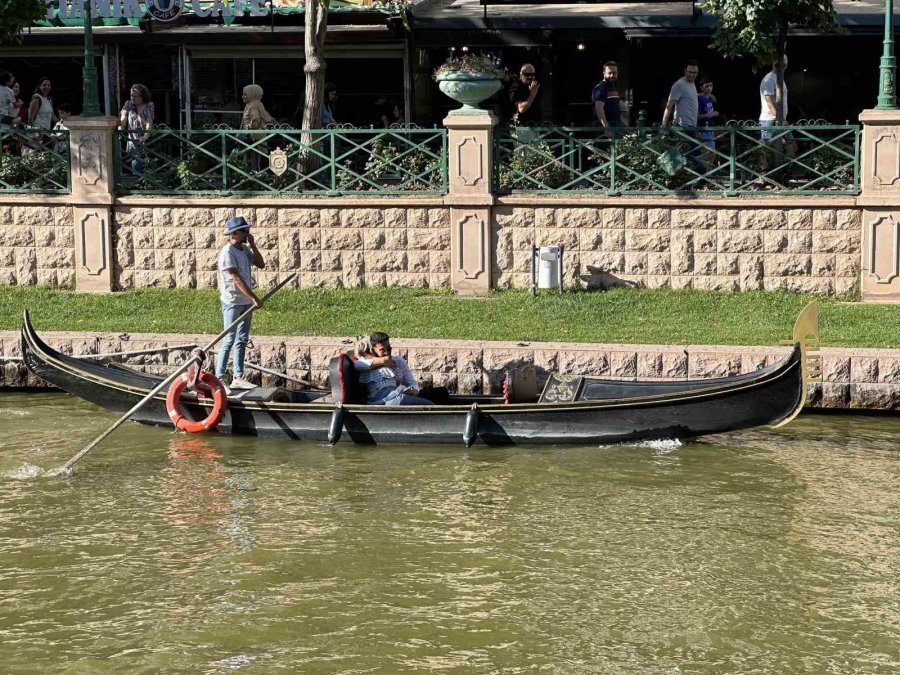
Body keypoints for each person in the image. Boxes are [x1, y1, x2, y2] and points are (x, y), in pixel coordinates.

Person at [215, 216, 265, 390]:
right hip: (232, 301)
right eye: (244, 231)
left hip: (245, 302)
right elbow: (236, 279)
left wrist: (253, 245)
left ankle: (238, 376)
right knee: (228, 339)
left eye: (247, 230)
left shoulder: (244, 249)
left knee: (242, 339)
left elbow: (261, 264)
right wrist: (253, 297)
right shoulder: (227, 253)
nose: (247, 233)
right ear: (234, 233)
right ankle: (219, 378)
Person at [353, 332, 434, 406]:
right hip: (385, 399)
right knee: (429, 405)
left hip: (397, 394)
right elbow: (357, 365)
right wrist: (383, 361)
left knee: (435, 398)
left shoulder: (397, 360)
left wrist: (414, 390)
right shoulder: (364, 364)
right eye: (382, 350)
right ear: (373, 350)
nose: (387, 352)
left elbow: (411, 381)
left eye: (389, 348)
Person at [759, 56, 797, 170]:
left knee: (791, 145)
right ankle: (764, 173)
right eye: (777, 65)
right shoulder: (769, 79)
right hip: (770, 119)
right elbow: (769, 102)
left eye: (783, 65)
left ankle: (786, 170)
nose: (780, 67)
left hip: (778, 119)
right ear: (773, 64)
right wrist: (780, 119)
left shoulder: (779, 79)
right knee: (767, 148)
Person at [119, 83, 155, 179]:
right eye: (131, 95)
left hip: (146, 138)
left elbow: (149, 121)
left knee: (147, 161)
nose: (133, 98)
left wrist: (146, 136)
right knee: (135, 160)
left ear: (143, 96)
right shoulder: (128, 104)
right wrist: (120, 129)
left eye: (136, 96)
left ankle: (146, 181)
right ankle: (138, 181)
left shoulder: (149, 105)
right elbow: (123, 118)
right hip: (133, 138)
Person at [661, 60, 699, 129]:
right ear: (685, 71)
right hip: (681, 128)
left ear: (697, 72)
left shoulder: (692, 82)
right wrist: (663, 126)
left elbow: (689, 97)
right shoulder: (679, 85)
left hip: (692, 127)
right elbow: (668, 107)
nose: (691, 75)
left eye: (694, 72)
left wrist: (707, 95)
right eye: (689, 72)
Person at [591, 61, 622, 132]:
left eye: (614, 73)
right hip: (604, 129)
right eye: (609, 73)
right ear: (604, 73)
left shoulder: (613, 88)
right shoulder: (600, 88)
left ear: (617, 73)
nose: (612, 75)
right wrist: (606, 127)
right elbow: (599, 108)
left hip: (615, 127)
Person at [697, 77, 720, 163]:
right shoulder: (699, 98)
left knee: (712, 154)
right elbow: (697, 116)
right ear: (701, 87)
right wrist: (709, 114)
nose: (709, 88)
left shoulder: (711, 98)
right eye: (707, 86)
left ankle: (708, 170)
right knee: (707, 154)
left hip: (710, 128)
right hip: (703, 129)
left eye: (711, 86)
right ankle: (701, 169)